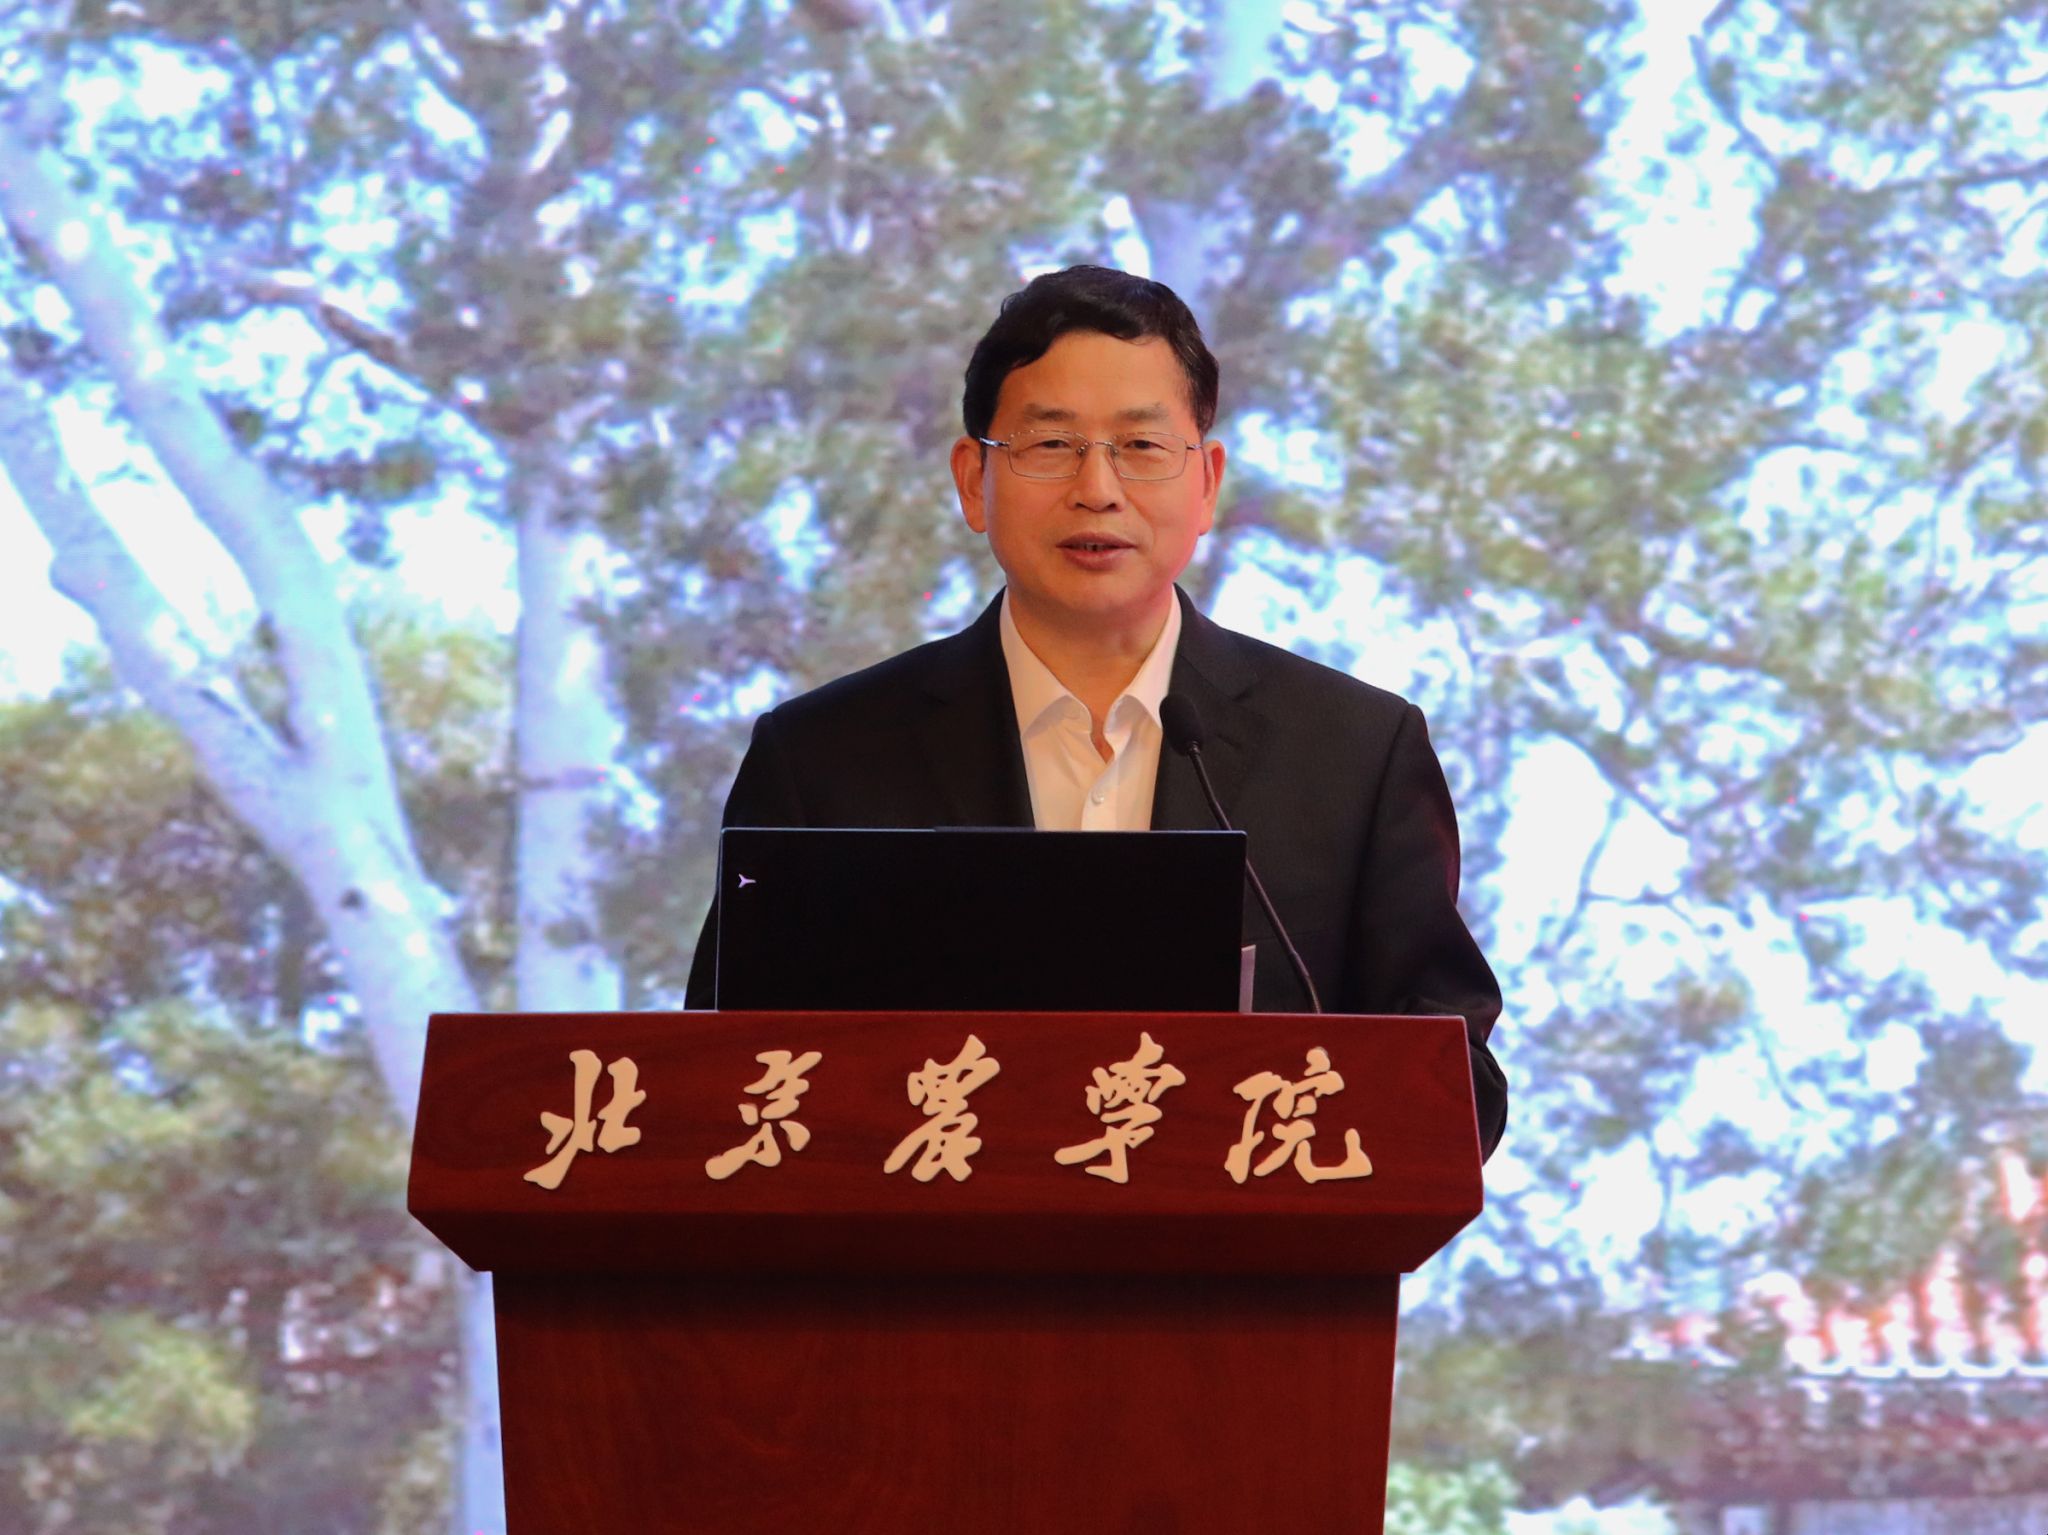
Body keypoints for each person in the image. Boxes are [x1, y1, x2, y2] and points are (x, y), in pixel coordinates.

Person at [684, 264, 1506, 1157]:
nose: (1097, 488)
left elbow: (1456, 1082)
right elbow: (722, 1087)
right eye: (1050, 444)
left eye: (1142, 445)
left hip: (1234, 1250)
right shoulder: (821, 759)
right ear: (972, 479)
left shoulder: (1353, 753)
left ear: (1207, 483)